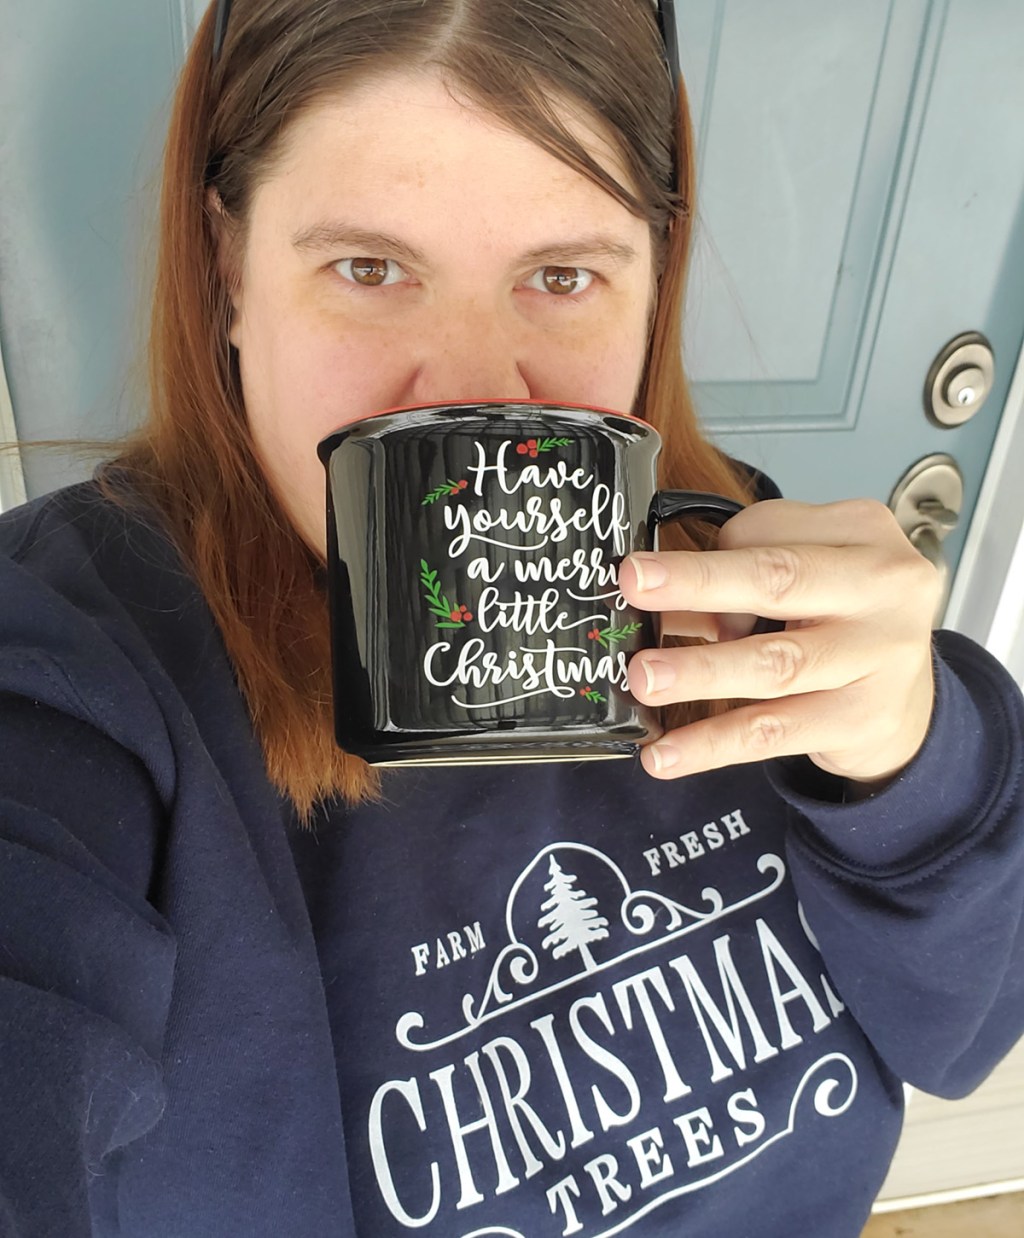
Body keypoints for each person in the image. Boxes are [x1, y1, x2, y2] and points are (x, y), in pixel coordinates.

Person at [1, 2, 1022, 1236]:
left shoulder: (738, 583)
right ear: (227, 271)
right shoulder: (72, 657)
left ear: (654, 280)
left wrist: (918, 758)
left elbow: (963, 1033)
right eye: (368, 269)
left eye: (561, 274)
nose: (477, 391)